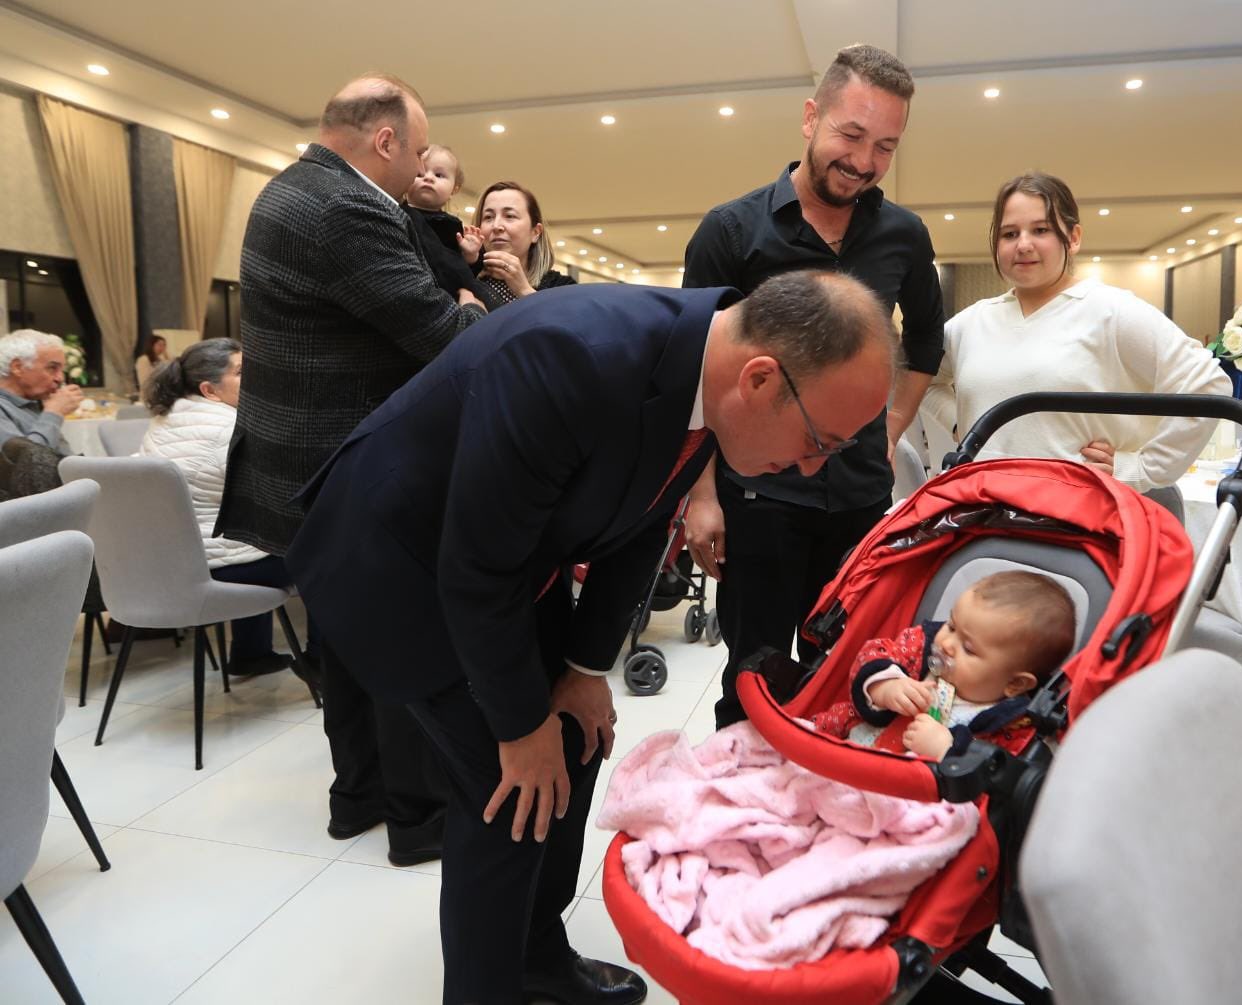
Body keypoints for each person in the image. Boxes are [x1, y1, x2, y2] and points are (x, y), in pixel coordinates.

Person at [284, 270, 897, 1004]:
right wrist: (519, 727)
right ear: (760, 380)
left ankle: (537, 955)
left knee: (575, 739)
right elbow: (475, 569)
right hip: (398, 562)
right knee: (505, 788)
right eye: (819, 441)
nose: (811, 468)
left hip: (506, 560)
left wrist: (581, 669)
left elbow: (641, 524)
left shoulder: (705, 376)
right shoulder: (569, 355)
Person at [217, 73, 485, 868]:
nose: (421, 168)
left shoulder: (291, 188)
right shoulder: (346, 206)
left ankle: (357, 795)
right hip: (347, 469)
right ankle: (417, 818)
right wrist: (472, 304)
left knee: (345, 640)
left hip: (306, 466)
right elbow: (446, 335)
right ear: (385, 139)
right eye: (418, 150)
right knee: (399, 641)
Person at [681, 44, 946, 730]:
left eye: (885, 147)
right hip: (759, 497)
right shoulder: (731, 230)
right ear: (810, 118)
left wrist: (892, 427)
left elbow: (926, 339)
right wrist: (701, 495)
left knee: (854, 675)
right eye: (850, 135)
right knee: (754, 680)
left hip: (860, 498)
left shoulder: (904, 236)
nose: (863, 161)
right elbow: (693, 373)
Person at [924, 171, 1230, 493]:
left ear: (1073, 237)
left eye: (1041, 230)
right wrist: (963, 426)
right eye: (1009, 234)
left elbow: (1208, 383)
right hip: (986, 503)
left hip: (1079, 507)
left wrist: (1141, 468)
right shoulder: (971, 323)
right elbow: (923, 380)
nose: (1023, 245)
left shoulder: (1111, 310)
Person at [138, 339, 293, 676]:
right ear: (209, 390)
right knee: (326, 553)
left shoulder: (164, 420)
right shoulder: (228, 429)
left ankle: (252, 654)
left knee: (250, 538)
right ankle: (323, 662)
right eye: (241, 372)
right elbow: (276, 496)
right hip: (217, 567)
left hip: (173, 562)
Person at [813, 571, 1076, 759]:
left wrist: (947, 752)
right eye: (951, 626)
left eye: (968, 648)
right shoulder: (921, 648)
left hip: (907, 797)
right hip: (841, 749)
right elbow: (873, 654)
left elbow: (995, 780)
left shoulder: (1012, 726)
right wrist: (886, 686)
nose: (948, 644)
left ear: (1015, 683)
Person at [403, 144, 492, 304]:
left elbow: (465, 271)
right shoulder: (400, 214)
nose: (428, 178)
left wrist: (470, 255)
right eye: (419, 174)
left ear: (454, 189)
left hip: (457, 296)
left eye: (439, 175)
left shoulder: (453, 226)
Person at [467, 181, 576, 310]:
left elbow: (567, 321)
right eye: (488, 217)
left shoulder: (562, 287)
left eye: (509, 216)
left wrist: (524, 290)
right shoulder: (464, 281)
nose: (496, 226)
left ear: (535, 232)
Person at [0, 329, 81, 458]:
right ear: (17, 367)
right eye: (52, 368)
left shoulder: (34, 404)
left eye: (62, 370)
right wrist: (54, 413)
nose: (60, 378)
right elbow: (26, 463)